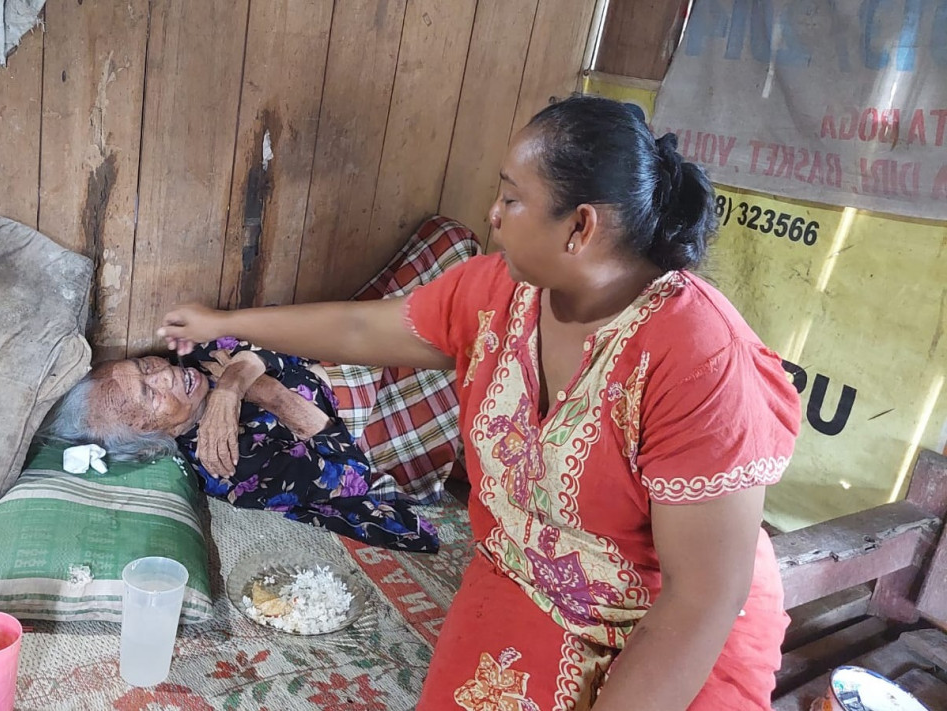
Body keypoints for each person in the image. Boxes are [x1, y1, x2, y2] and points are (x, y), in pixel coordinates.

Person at [157, 96, 799, 710]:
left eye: (513, 199)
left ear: (581, 227)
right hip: (529, 579)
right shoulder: (500, 291)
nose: (493, 214)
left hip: (672, 622)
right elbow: (361, 331)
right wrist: (225, 321)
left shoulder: (699, 359)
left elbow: (703, 597)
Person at [42, 223, 481, 554]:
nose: (164, 374)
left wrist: (231, 384)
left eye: (143, 366)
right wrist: (266, 392)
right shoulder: (228, 461)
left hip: (340, 355)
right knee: (467, 329)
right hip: (369, 419)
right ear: (155, 439)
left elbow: (264, 332)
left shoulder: (191, 363)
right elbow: (348, 476)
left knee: (449, 240)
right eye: (150, 395)